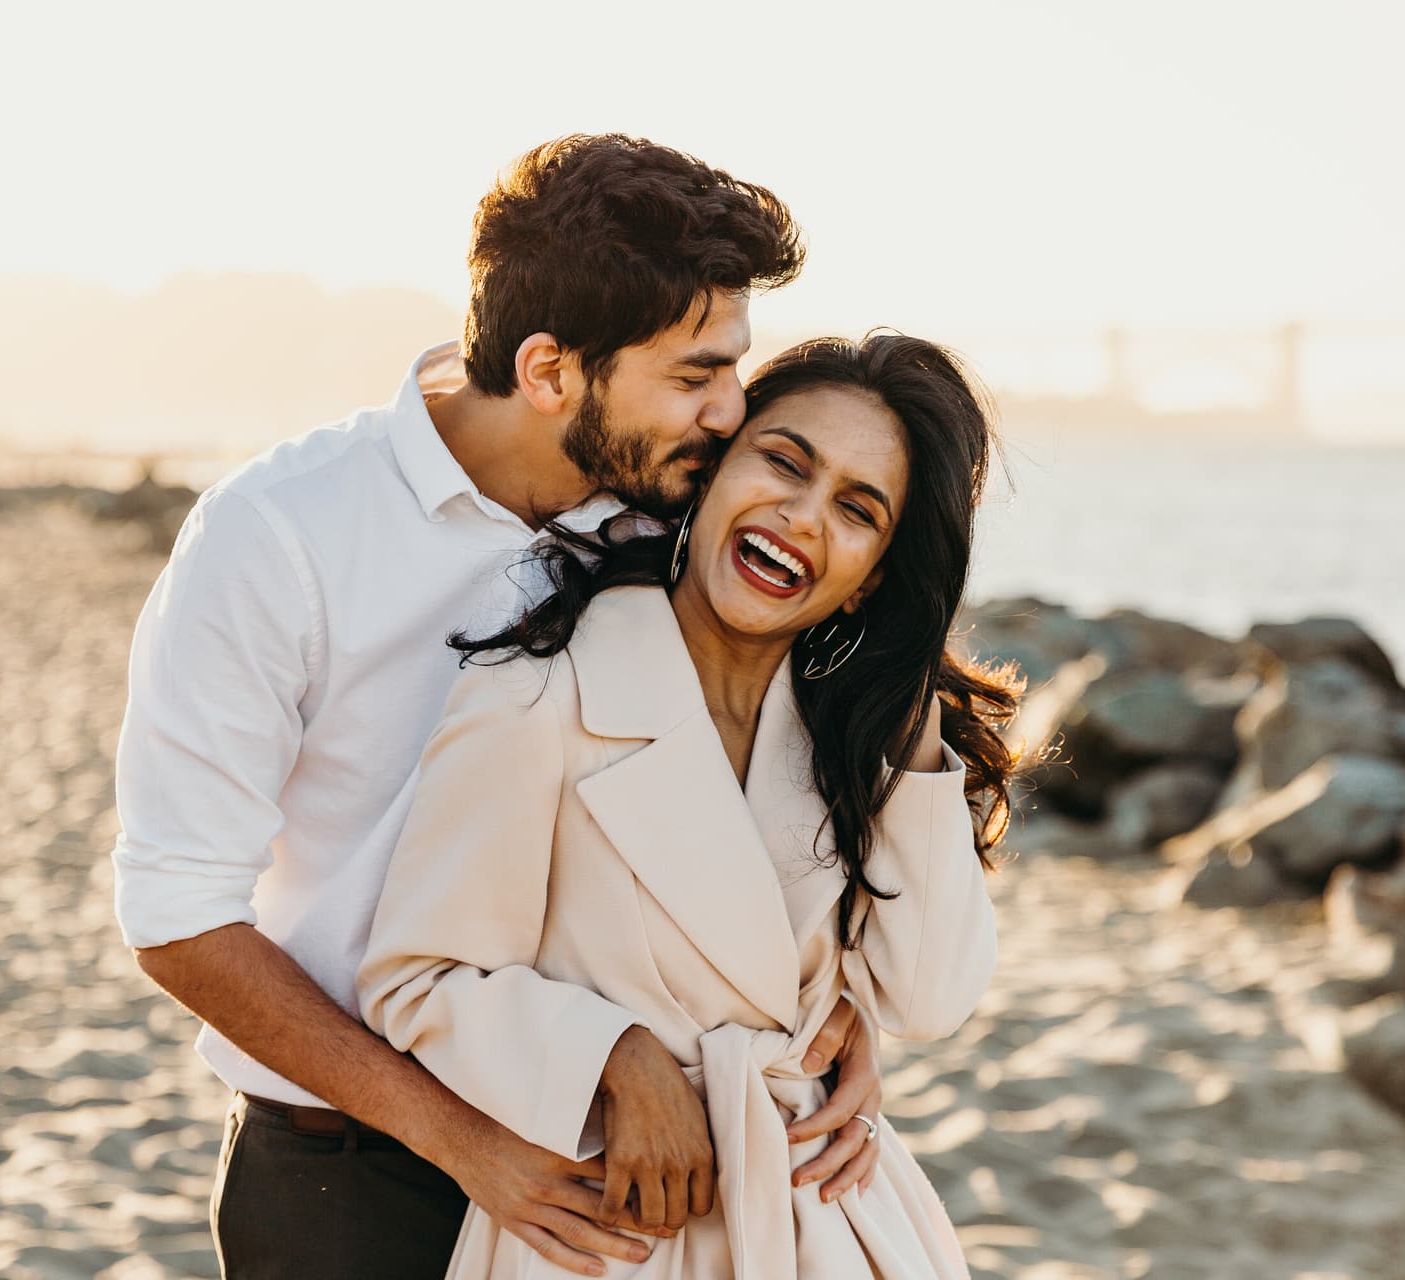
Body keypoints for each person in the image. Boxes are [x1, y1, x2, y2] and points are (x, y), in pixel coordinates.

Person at [110, 135, 891, 1279]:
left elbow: (763, 784)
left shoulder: (671, 523)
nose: (731, 413)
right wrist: (465, 1141)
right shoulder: (277, 535)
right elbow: (177, 912)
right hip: (353, 1178)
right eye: (693, 376)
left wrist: (840, 1014)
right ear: (548, 371)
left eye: (735, 368)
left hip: (633, 1165)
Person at [358, 333, 1023, 1277]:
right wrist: (613, 1055)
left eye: (856, 511)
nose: (800, 516)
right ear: (713, 471)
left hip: (829, 1212)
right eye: (784, 462)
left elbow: (926, 997)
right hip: (620, 1229)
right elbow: (416, 980)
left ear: (870, 576)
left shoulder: (849, 737)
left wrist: (912, 712)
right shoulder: (540, 696)